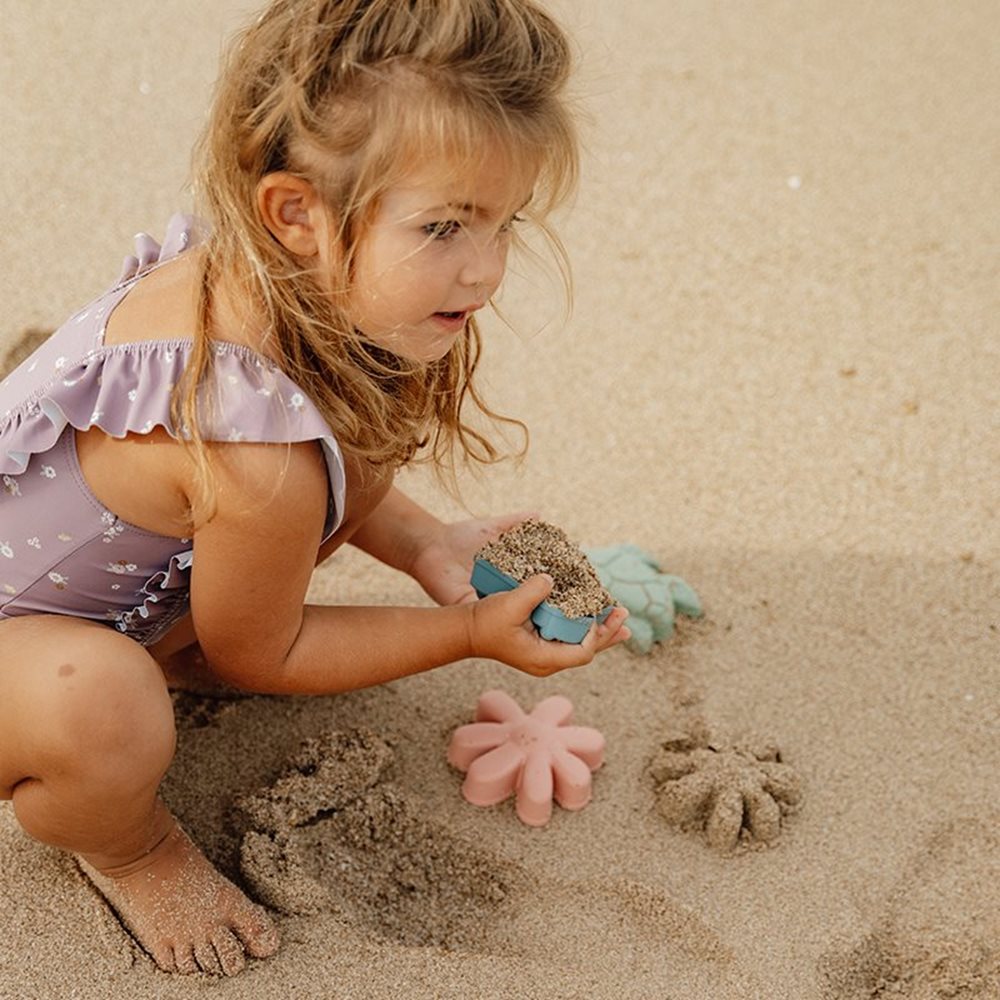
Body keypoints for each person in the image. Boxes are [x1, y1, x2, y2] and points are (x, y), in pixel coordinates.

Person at [0, 0, 630, 979]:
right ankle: (124, 843)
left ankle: (156, 645)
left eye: (503, 223)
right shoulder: (252, 453)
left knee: (346, 449)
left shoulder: (283, 289)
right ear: (295, 212)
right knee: (107, 710)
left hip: (85, 590)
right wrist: (463, 634)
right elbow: (267, 650)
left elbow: (345, 476)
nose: (489, 267)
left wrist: (429, 546)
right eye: (444, 227)